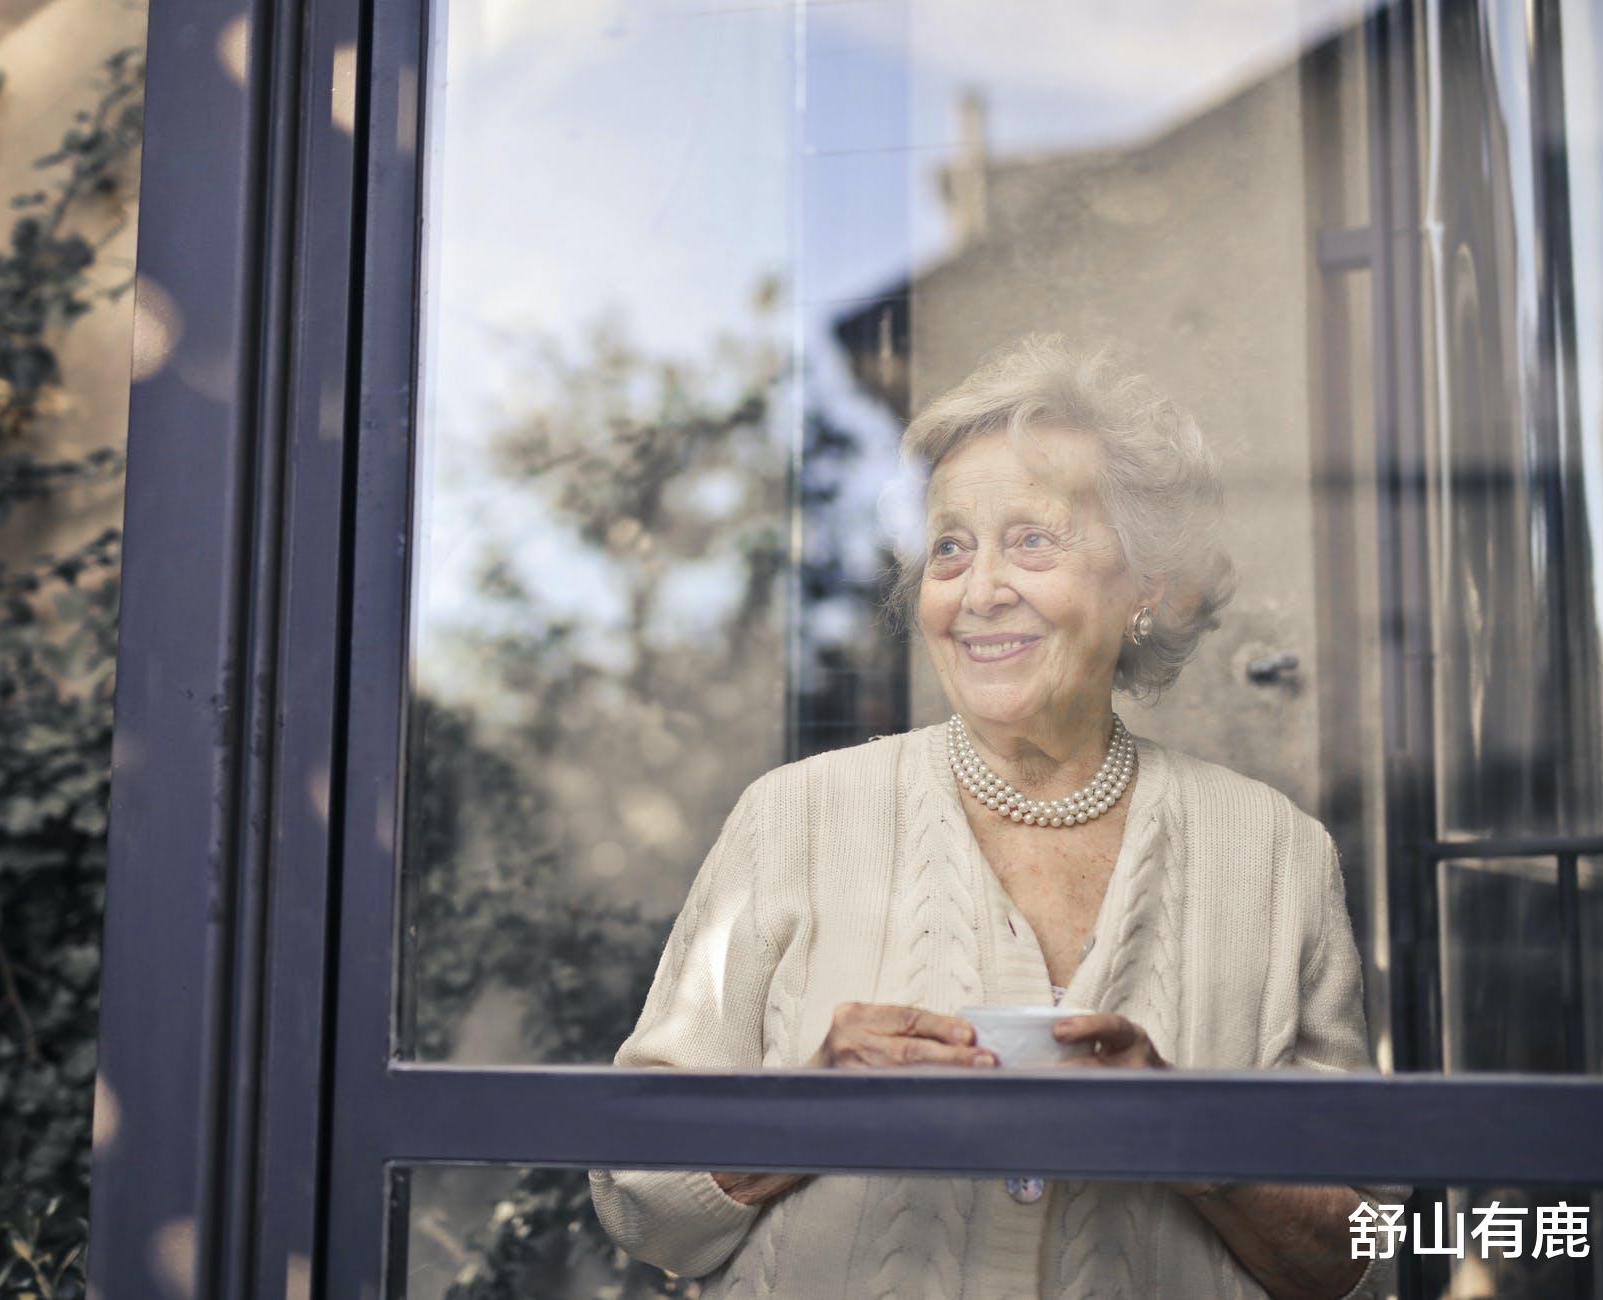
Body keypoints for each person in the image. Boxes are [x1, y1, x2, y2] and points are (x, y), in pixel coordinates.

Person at [588, 336, 1404, 1298]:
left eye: (1031, 540)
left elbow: (1368, 1247)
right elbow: (637, 1196)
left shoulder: (1274, 856)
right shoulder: (793, 819)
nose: (979, 592)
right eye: (949, 547)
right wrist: (811, 1103)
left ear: (1146, 585)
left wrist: (1185, 1133)